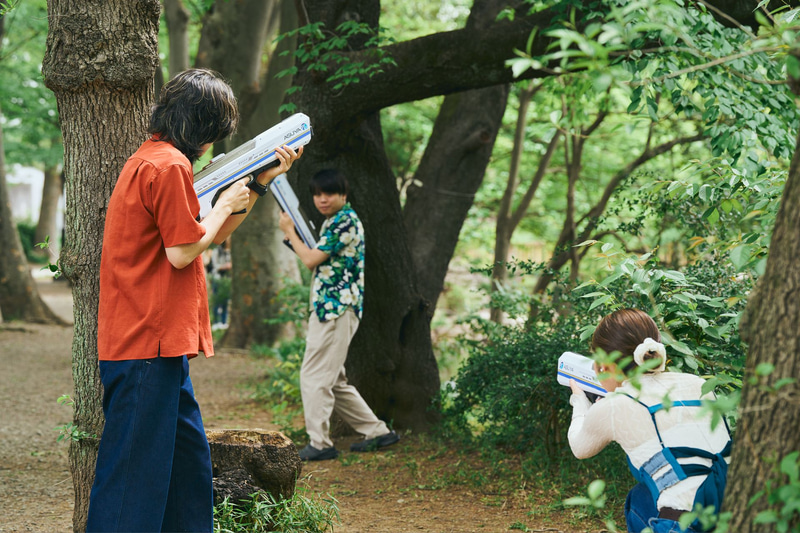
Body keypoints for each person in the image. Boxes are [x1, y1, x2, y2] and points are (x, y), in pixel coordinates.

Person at [87, 68, 302, 533]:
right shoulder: (168, 168)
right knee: (132, 479)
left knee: (189, 468)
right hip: (146, 342)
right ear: (201, 126)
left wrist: (259, 183)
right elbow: (182, 252)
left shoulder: (158, 160)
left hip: (161, 345)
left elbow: (205, 237)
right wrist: (224, 203)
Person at [567, 308, 732, 533]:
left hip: (684, 526)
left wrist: (580, 403)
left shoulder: (615, 404)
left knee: (640, 502)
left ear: (603, 365)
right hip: (736, 510)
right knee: (641, 497)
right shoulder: (696, 383)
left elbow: (579, 448)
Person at [278, 168, 399, 461]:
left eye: (329, 193)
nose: (322, 199)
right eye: (318, 194)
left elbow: (310, 260)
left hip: (335, 309)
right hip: (332, 308)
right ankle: (378, 432)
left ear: (343, 195)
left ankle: (319, 443)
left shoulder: (344, 222)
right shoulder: (336, 221)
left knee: (313, 375)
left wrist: (289, 231)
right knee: (334, 379)